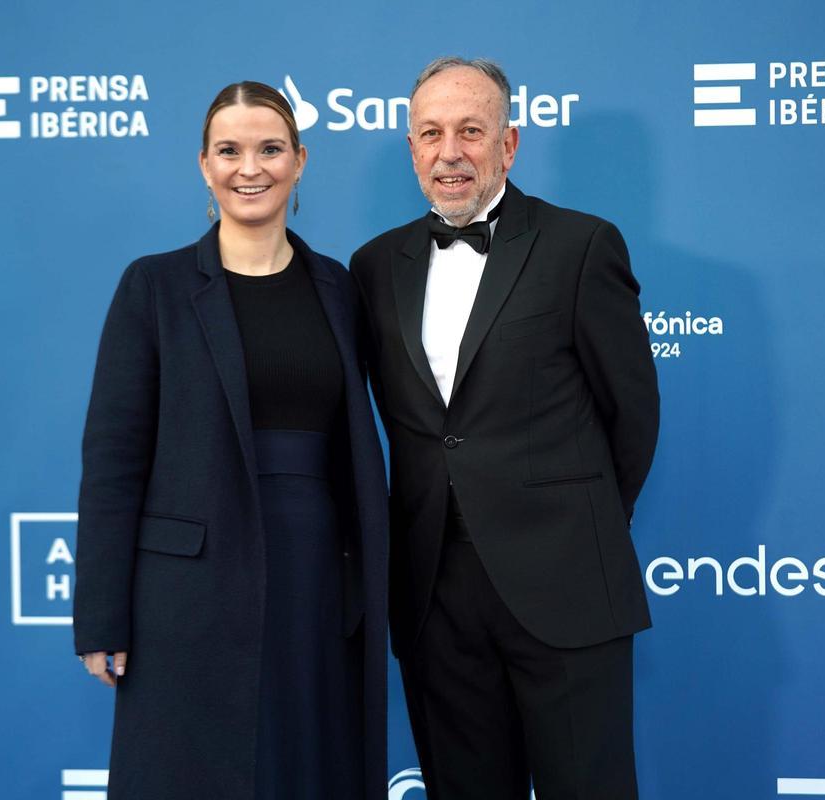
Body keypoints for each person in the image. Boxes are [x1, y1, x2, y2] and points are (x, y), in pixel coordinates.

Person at [350, 57, 660, 799]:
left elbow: (633, 416)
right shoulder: (372, 267)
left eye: (470, 131)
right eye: (430, 133)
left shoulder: (580, 246)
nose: (449, 152)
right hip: (434, 595)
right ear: (412, 149)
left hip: (567, 585)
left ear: (509, 143)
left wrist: (573, 526)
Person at [73, 81, 388, 800]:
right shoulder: (152, 287)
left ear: (300, 161)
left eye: (270, 148)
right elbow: (113, 459)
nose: (251, 167)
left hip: (316, 584)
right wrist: (101, 613)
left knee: (308, 770)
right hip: (189, 593)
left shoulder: (338, 287)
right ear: (204, 166)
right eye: (230, 150)